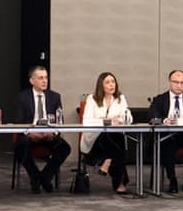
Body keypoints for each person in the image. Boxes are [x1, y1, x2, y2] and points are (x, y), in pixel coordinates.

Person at [7, 65, 68, 193]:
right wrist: (29, 133)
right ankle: (35, 176)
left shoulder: (55, 97)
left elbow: (60, 120)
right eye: (40, 78)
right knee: (20, 147)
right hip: (29, 135)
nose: (44, 81)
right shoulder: (22, 97)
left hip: (48, 135)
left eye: (46, 78)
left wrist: (53, 132)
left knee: (64, 148)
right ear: (32, 81)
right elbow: (18, 122)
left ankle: (45, 177)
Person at [80, 71, 134, 194]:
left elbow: (129, 119)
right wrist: (106, 120)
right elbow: (86, 121)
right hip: (95, 142)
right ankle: (121, 183)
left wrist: (121, 119)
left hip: (112, 142)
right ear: (101, 85)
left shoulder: (120, 98)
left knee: (115, 139)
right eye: (107, 82)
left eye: (113, 82)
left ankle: (108, 161)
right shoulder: (92, 99)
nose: (111, 85)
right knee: (115, 138)